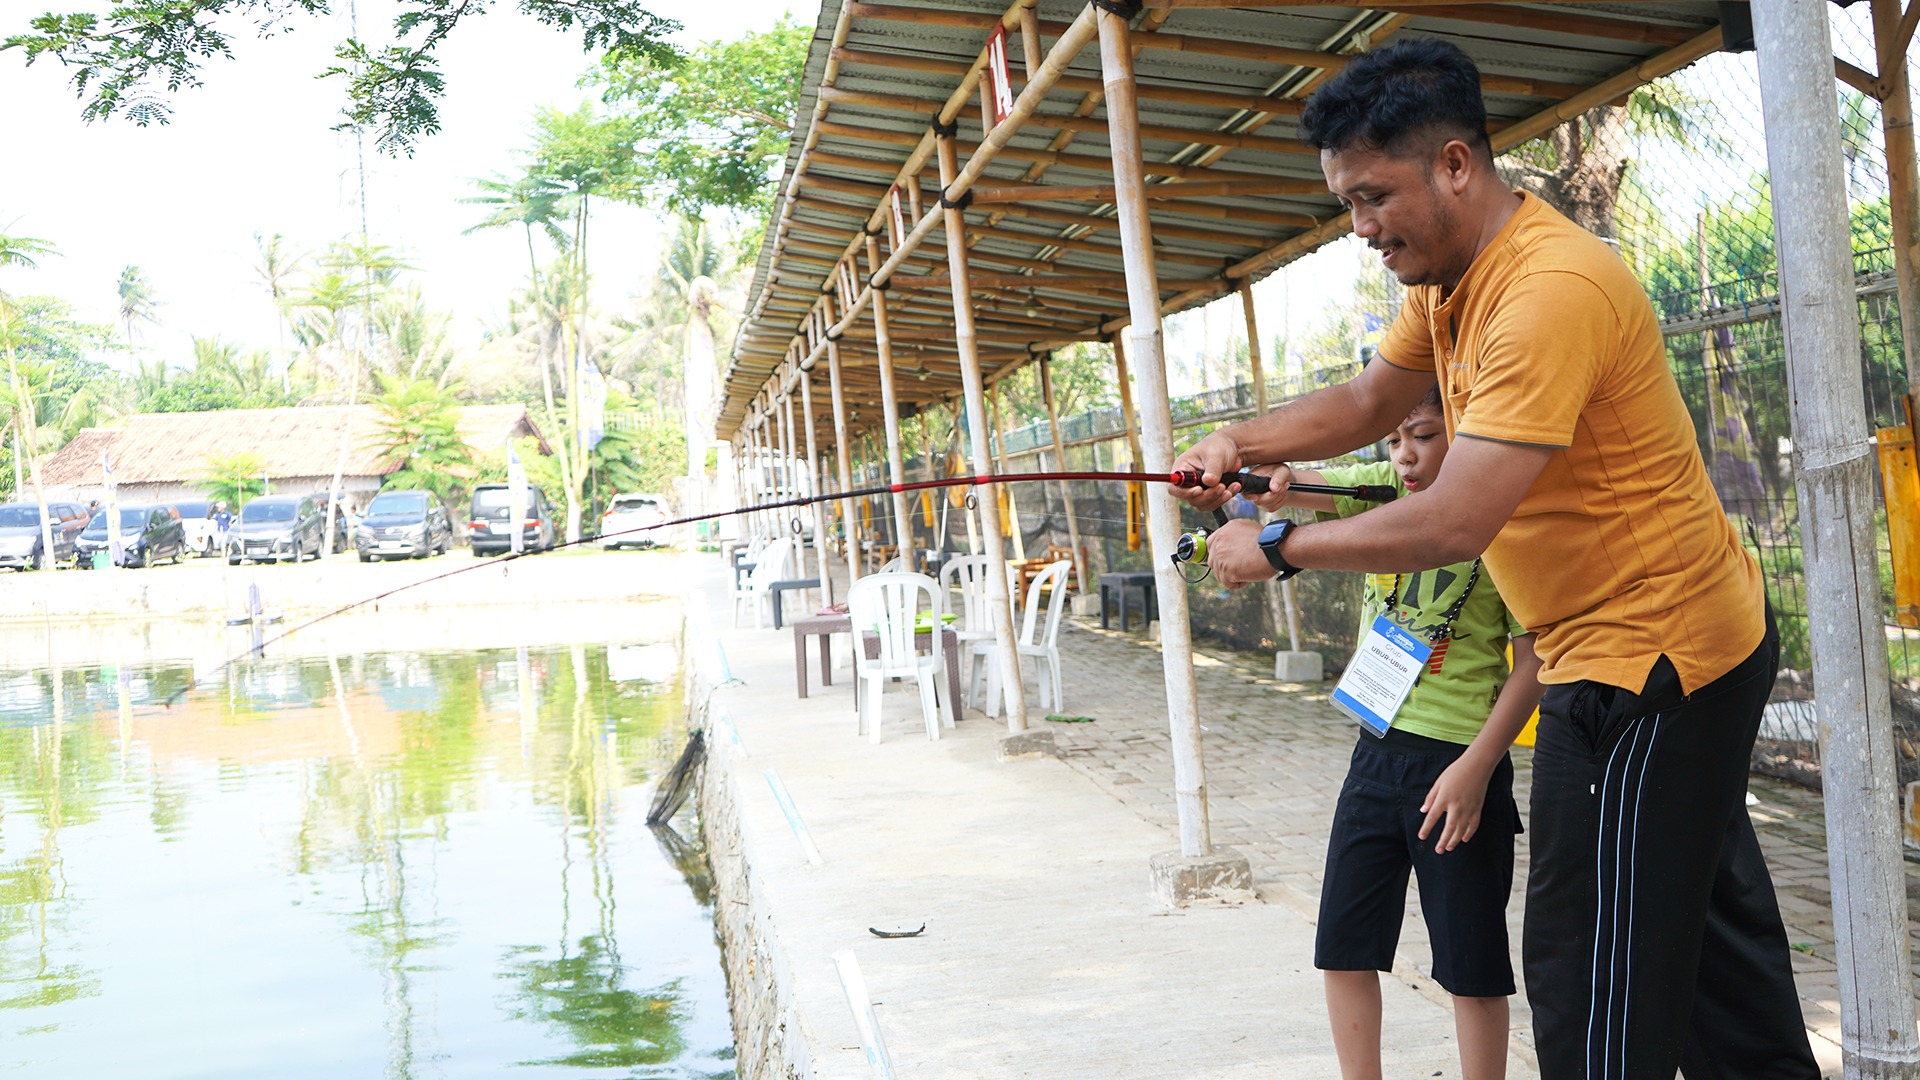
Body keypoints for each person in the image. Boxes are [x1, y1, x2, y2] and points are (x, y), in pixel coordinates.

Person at [1170, 38, 1819, 1080]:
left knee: (1588, 977)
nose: (1361, 228)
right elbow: (1370, 403)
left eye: (1374, 196)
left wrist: (1280, 547)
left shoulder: (1546, 290)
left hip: (1652, 664)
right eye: (1346, 202)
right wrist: (1240, 444)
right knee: (1714, 963)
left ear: (1458, 166)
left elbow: (1456, 519)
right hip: (1633, 646)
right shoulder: (1450, 280)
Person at [1253, 388, 1543, 1080]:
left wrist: (1478, 768)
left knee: (1470, 966)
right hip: (1373, 755)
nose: (1404, 456)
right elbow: (1302, 486)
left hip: (1457, 767)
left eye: (1423, 435)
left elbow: (1536, 661)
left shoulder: (1505, 523)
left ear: (1467, 436)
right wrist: (1264, 474)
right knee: (1344, 947)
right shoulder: (1380, 493)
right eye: (1392, 440)